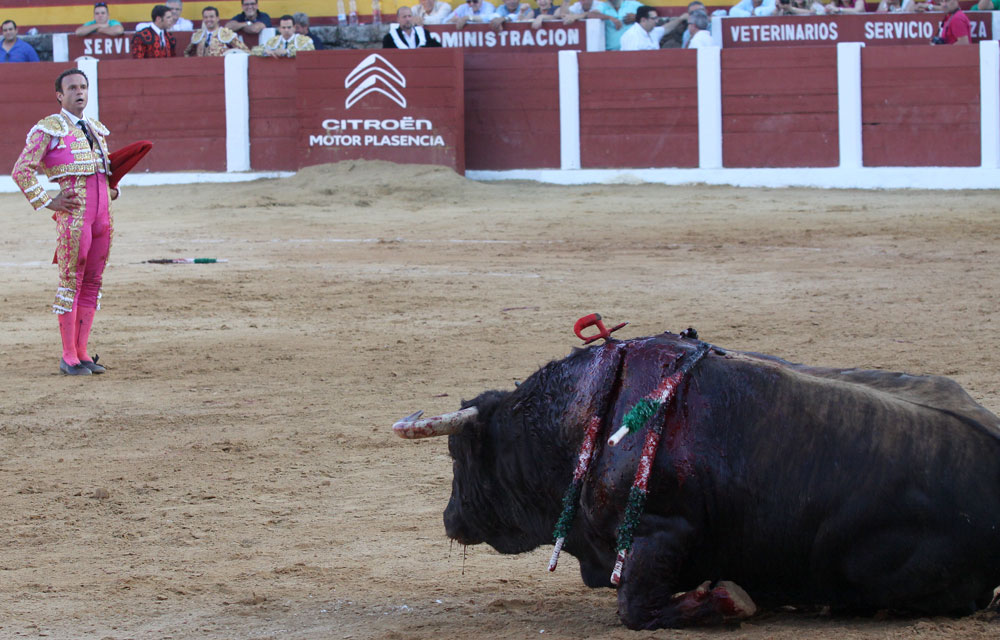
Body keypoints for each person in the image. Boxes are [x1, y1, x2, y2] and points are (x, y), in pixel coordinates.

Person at [11, 69, 118, 376]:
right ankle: (68, 355)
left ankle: (83, 352)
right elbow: (22, 170)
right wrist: (48, 200)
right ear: (60, 95)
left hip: (102, 218)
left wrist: (114, 189)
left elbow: (104, 173)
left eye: (83, 87)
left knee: (93, 283)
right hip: (75, 217)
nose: (79, 92)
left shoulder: (96, 129)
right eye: (72, 88)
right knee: (71, 280)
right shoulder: (48, 129)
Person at [185, 6, 249, 56]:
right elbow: (187, 53)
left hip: (222, 69)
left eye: (211, 17)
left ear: (217, 18)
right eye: (206, 17)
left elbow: (244, 50)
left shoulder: (226, 33)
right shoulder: (198, 35)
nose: (208, 19)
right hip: (202, 69)